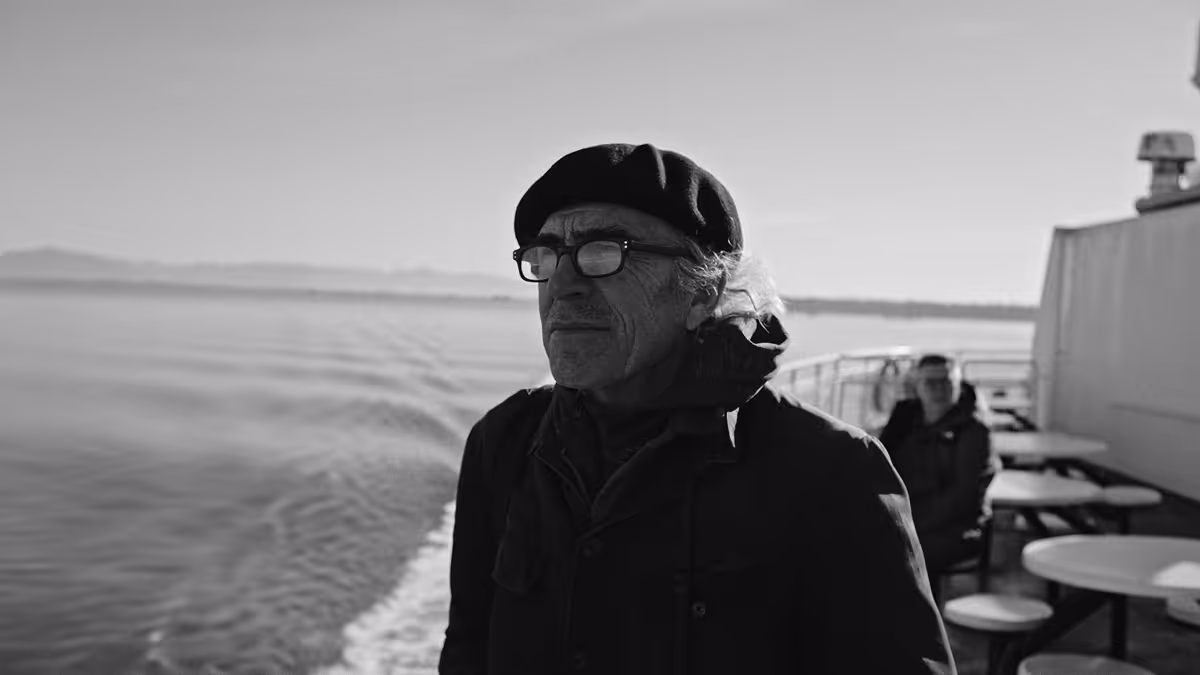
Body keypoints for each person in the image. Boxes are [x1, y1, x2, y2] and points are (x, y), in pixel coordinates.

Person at [439, 143, 956, 675]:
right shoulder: (504, 440)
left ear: (702, 294)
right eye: (545, 257)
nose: (562, 286)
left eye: (603, 251)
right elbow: (468, 646)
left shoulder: (831, 471)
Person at [878, 354, 1000, 588]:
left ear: (958, 384)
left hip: (956, 527)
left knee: (906, 554)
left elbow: (963, 497)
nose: (938, 389)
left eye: (946, 382)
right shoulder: (905, 418)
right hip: (905, 514)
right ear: (917, 386)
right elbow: (879, 466)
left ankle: (920, 620)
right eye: (929, 382)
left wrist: (907, 523)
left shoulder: (974, 431)